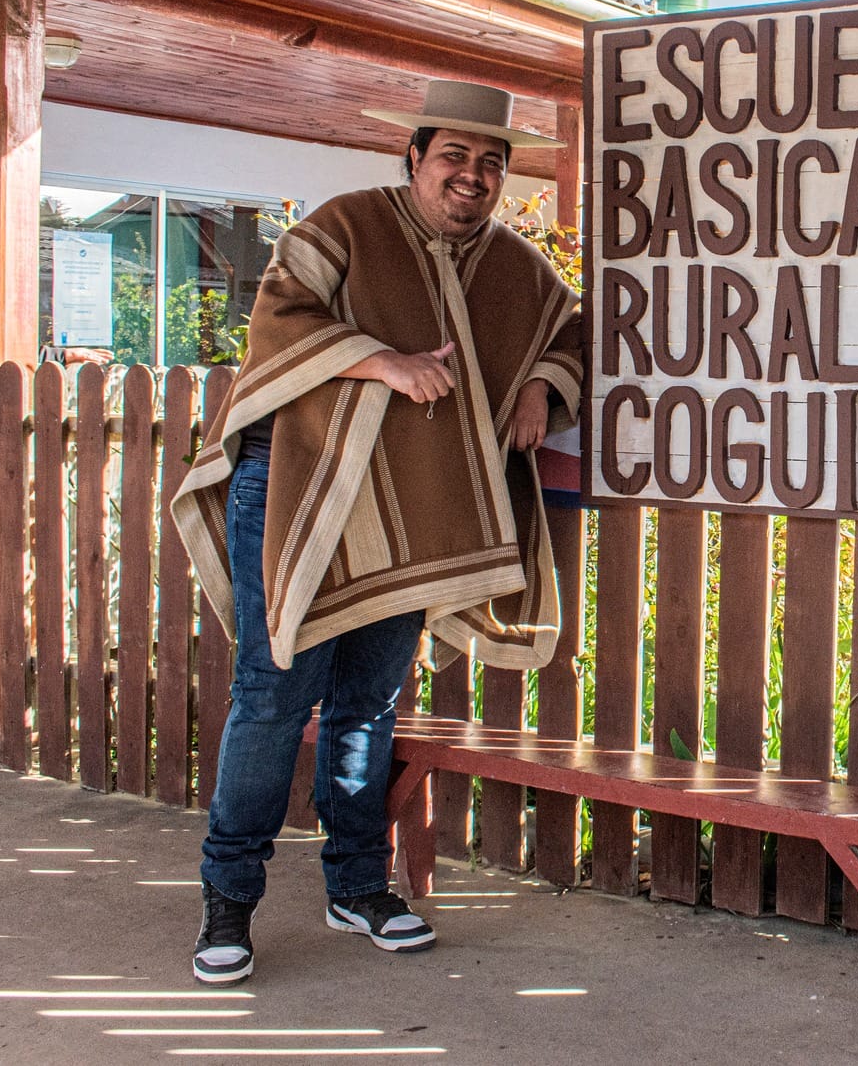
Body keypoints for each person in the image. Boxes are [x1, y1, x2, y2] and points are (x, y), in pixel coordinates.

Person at [172, 80, 582, 986]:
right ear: (414, 157)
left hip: (413, 519)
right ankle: (228, 903)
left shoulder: (514, 265)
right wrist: (383, 362)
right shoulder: (344, 224)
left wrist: (543, 386)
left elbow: (571, 326)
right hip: (297, 490)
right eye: (453, 157)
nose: (471, 176)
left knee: (367, 704)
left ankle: (357, 885)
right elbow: (279, 320)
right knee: (274, 697)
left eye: (490, 163)